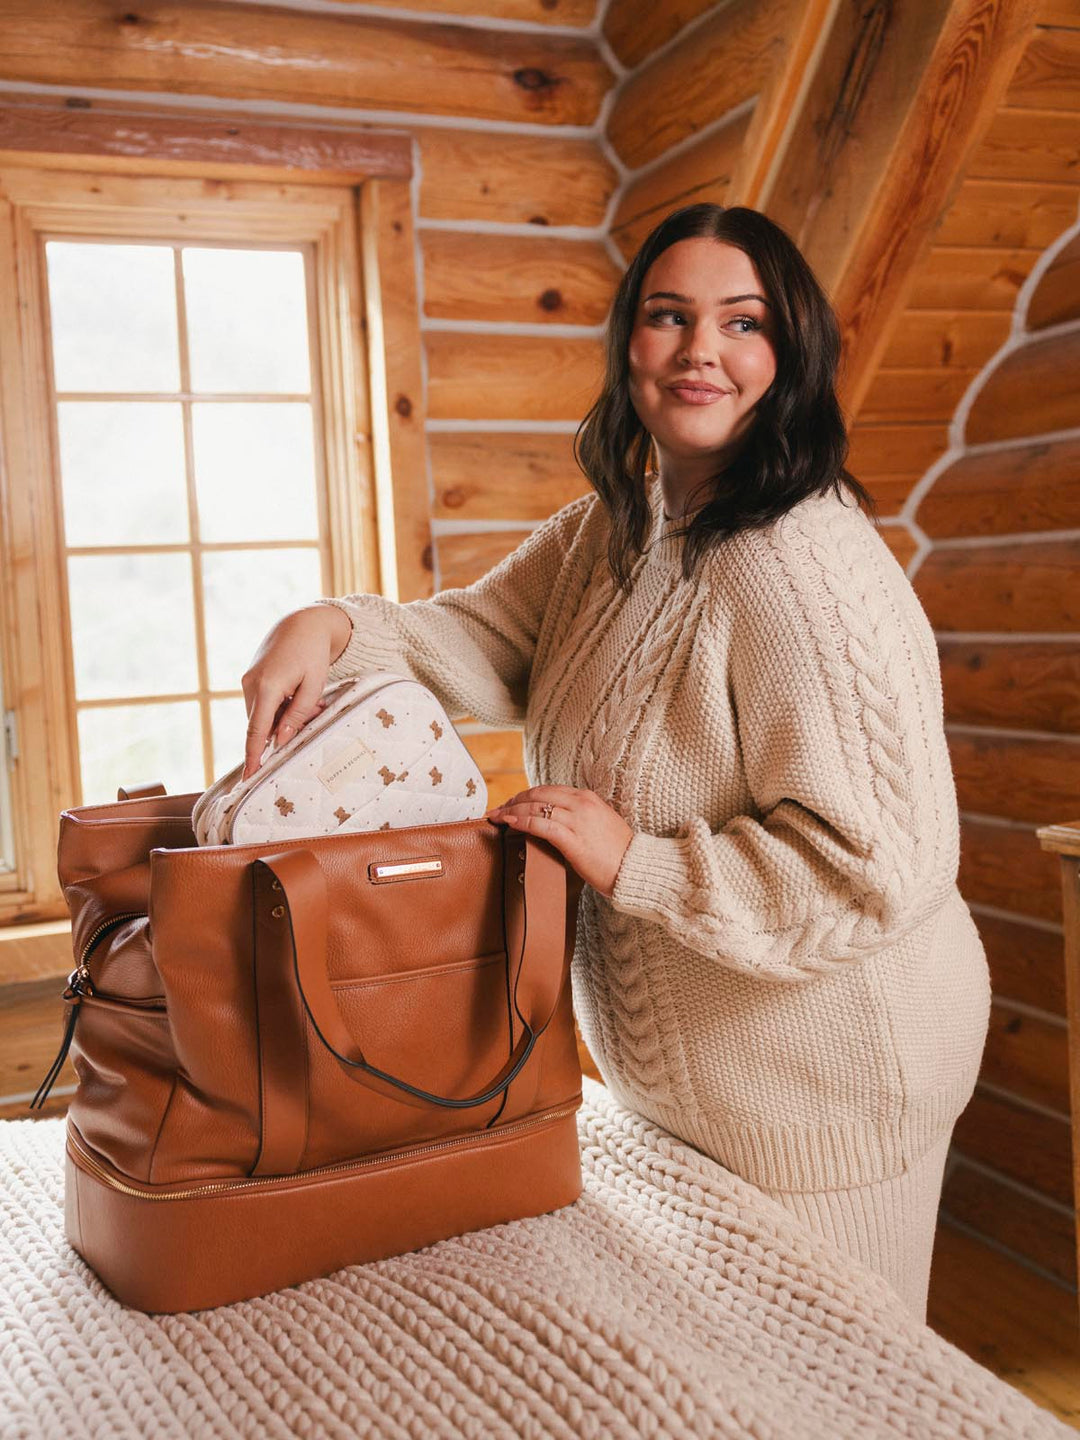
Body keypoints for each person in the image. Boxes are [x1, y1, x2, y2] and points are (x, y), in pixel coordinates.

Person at [240, 203, 992, 1325]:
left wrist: (635, 860)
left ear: (789, 358)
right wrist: (328, 625)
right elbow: (480, 641)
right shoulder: (616, 529)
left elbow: (880, 866)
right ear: (628, 348)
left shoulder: (801, 571)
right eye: (668, 317)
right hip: (686, 1087)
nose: (700, 350)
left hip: (829, 1089)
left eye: (743, 323)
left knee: (837, 1393)